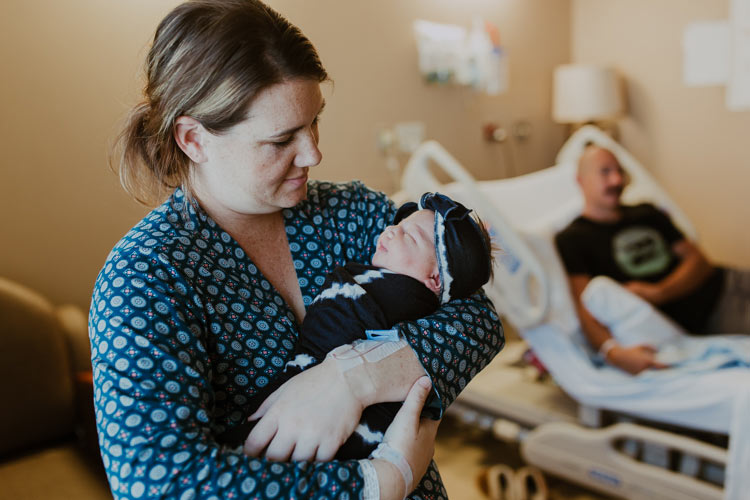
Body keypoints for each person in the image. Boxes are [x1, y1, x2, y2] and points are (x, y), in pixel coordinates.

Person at [88, 1, 504, 499]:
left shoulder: (349, 212)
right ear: (193, 138)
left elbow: (478, 318)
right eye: (282, 138)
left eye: (314, 123)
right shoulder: (146, 276)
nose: (313, 153)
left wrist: (354, 378)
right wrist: (378, 482)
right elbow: (158, 481)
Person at [217, 192, 495, 458]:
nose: (390, 230)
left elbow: (484, 324)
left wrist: (358, 375)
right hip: (289, 428)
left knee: (262, 443)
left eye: (409, 235)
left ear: (435, 279)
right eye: (397, 223)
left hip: (346, 443)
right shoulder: (177, 262)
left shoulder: (402, 292)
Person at [555, 145, 750, 375]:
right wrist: (614, 354)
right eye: (605, 172)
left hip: (730, 278)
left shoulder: (646, 212)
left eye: (619, 171)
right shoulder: (573, 239)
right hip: (714, 313)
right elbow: (585, 306)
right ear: (581, 180)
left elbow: (699, 261)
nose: (617, 180)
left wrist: (659, 292)